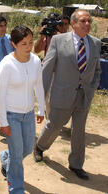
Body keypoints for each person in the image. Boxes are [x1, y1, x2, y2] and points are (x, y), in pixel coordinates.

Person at [34, 10, 101, 181]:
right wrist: (41, 98)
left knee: (79, 131)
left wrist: (92, 87)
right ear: (73, 23)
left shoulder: (95, 43)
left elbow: (97, 69)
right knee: (54, 125)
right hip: (62, 94)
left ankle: (76, 164)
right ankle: (40, 147)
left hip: (83, 95)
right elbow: (47, 69)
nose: (87, 24)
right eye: (83, 21)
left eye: (89, 21)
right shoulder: (58, 41)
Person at [0, 25, 45, 194]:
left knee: (26, 149)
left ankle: (6, 157)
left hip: (28, 114)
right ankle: (16, 188)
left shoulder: (35, 61)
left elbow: (39, 85)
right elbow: (0, 96)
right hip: (12, 115)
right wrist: (3, 121)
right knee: (18, 155)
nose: (28, 47)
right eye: (23, 44)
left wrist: (41, 109)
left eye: (30, 42)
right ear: (13, 44)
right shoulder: (6, 64)